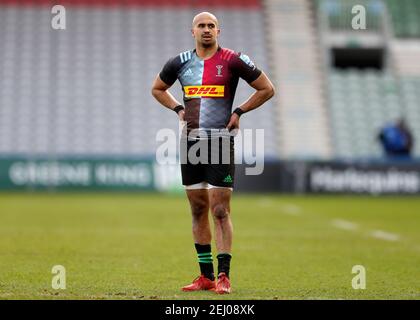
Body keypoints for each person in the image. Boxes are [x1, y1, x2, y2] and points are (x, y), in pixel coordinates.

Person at [151, 12, 275, 294]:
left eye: (211, 26)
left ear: (219, 31)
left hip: (220, 141)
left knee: (219, 210)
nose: (206, 30)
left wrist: (240, 111)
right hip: (191, 143)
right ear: (192, 31)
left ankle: (223, 276)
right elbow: (157, 88)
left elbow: (267, 88)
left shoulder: (233, 59)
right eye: (201, 26)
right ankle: (205, 276)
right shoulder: (179, 62)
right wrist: (178, 109)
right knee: (197, 209)